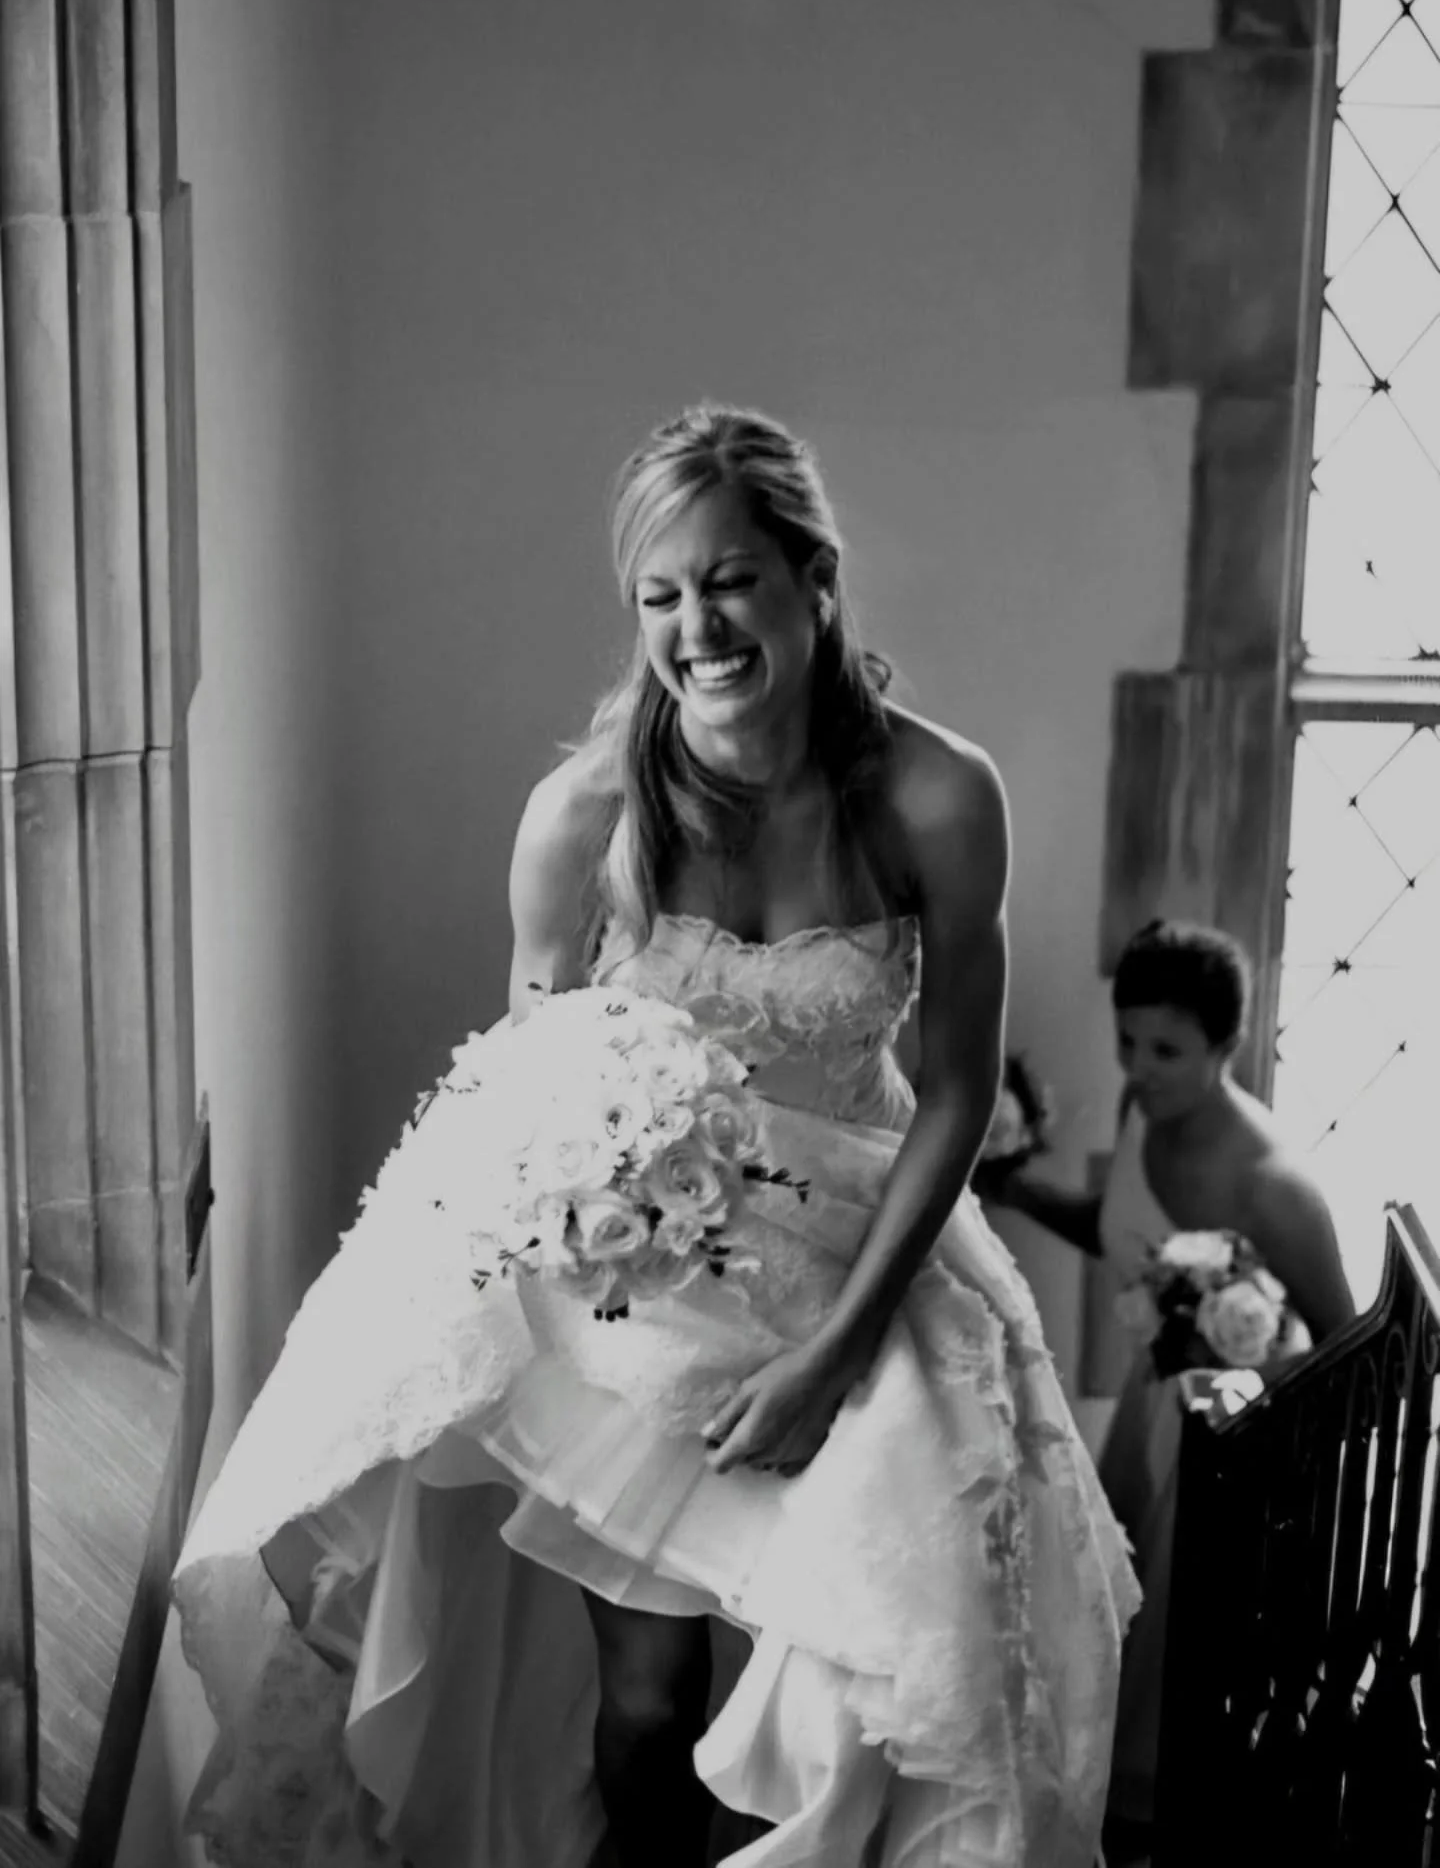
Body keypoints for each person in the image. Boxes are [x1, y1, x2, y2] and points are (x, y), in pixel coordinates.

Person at [172, 403, 1140, 1868]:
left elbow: (955, 1091)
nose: (700, 626)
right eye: (661, 593)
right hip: (650, 1289)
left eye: (732, 578)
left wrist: (829, 1359)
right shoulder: (580, 818)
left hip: (865, 1257)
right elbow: (528, 1095)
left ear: (814, 578)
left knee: (881, 1669)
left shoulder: (940, 797)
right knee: (643, 1702)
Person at [984, 917, 1355, 1862]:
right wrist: (1016, 1191)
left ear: (1228, 1045)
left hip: (1231, 1439)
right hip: (1150, 1419)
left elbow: (1350, 1349)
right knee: (1105, 1613)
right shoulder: (1138, 1113)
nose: (1138, 1068)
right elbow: (1121, 1232)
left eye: (1167, 1050)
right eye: (1127, 1041)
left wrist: (1232, 1372)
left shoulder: (1274, 1185)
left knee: (1170, 1652)